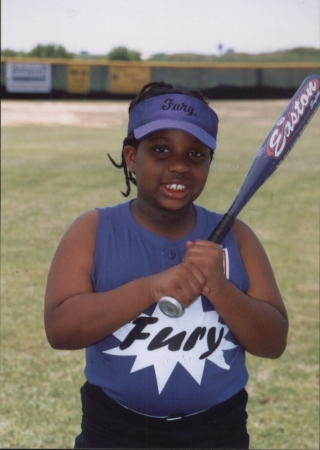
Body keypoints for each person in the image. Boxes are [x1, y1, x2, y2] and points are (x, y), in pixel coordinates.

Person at [44, 81, 289, 449]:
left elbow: (273, 341)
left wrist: (220, 289)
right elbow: (60, 329)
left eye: (196, 154)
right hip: (114, 429)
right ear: (131, 157)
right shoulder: (93, 230)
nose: (179, 166)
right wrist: (151, 288)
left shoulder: (237, 236)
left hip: (217, 432)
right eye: (160, 150)